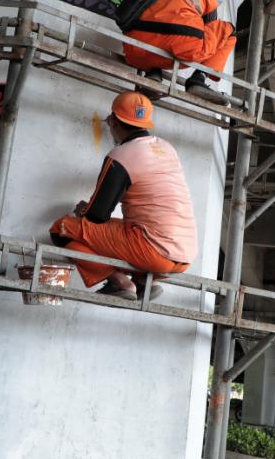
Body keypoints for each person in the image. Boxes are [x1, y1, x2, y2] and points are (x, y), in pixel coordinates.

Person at [49, 91, 197, 301]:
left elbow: (97, 216)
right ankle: (145, 281)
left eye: (109, 121)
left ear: (116, 122)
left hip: (153, 250)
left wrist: (85, 211)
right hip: (184, 254)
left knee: (62, 229)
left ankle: (121, 282)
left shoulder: (121, 155)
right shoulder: (167, 149)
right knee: (124, 230)